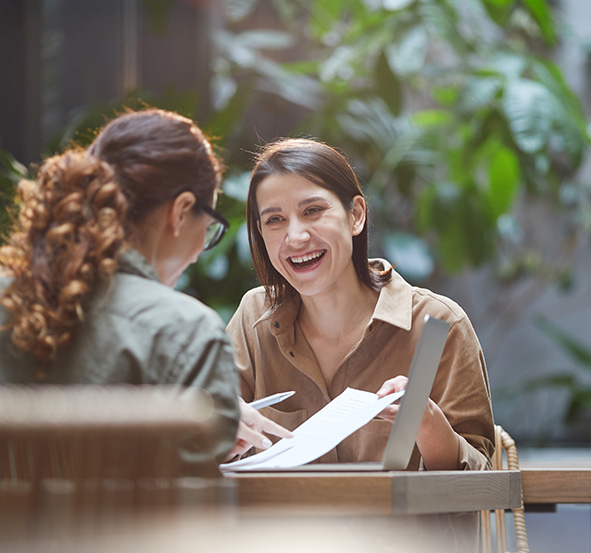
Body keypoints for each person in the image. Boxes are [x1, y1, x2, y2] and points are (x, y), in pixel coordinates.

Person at [0, 108, 289, 462]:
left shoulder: (9, 299)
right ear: (181, 211)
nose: (200, 253)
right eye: (210, 226)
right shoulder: (187, 333)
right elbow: (189, 502)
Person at [227, 138, 495, 470]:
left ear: (356, 215)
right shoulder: (252, 319)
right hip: (282, 524)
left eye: (312, 211)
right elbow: (199, 445)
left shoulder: (440, 323)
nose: (295, 237)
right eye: (275, 220)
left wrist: (427, 425)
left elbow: (481, 486)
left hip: (397, 524)